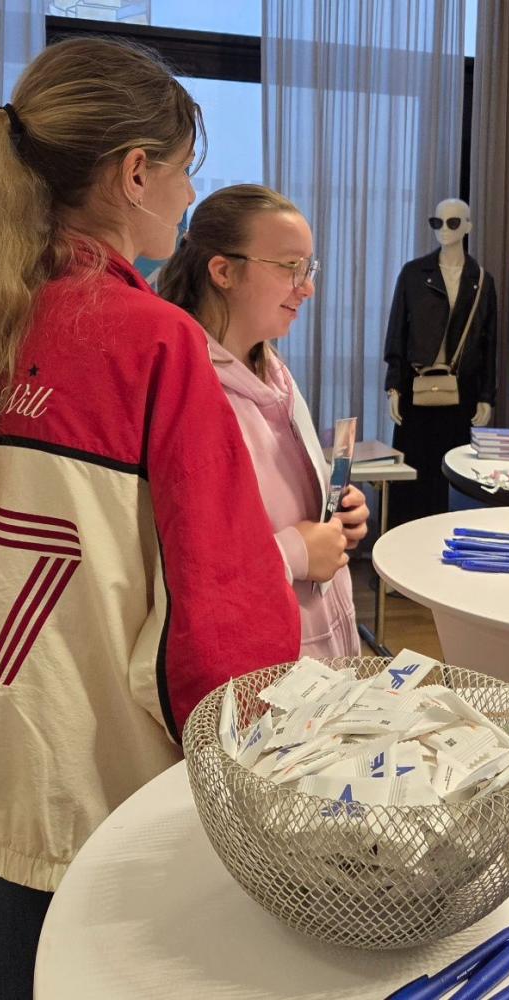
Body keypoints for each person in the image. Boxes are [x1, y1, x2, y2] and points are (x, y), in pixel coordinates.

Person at [0, 40, 299, 996]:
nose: (188, 191)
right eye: (184, 169)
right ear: (135, 175)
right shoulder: (154, 343)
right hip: (91, 805)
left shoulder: (6, 311)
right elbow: (222, 622)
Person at [158, 184, 368, 658]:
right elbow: (181, 566)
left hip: (319, 638)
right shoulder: (190, 391)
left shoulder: (274, 371)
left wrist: (332, 507)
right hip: (261, 659)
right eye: (291, 266)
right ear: (223, 271)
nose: (307, 287)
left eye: (309, 268)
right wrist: (296, 552)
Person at [384, 198, 497, 525]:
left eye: (453, 222)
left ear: (468, 226)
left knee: (451, 473)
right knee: (412, 472)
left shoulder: (480, 279)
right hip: (416, 388)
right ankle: (402, 543)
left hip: (461, 392)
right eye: (437, 222)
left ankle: (443, 540)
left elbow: (490, 343)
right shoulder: (414, 273)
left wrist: (487, 396)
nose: (444, 230)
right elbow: (397, 332)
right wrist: (393, 387)